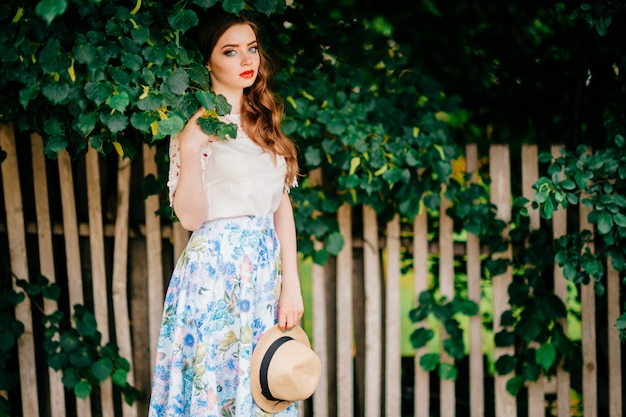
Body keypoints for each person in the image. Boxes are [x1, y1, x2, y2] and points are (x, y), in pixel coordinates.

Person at [149, 9, 304, 417]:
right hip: (214, 273)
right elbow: (190, 220)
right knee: (214, 385)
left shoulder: (264, 123)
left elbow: (280, 207)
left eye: (250, 49)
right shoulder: (196, 128)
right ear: (207, 62)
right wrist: (187, 147)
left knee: (261, 383)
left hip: (262, 276)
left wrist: (292, 285)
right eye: (231, 51)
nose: (247, 60)